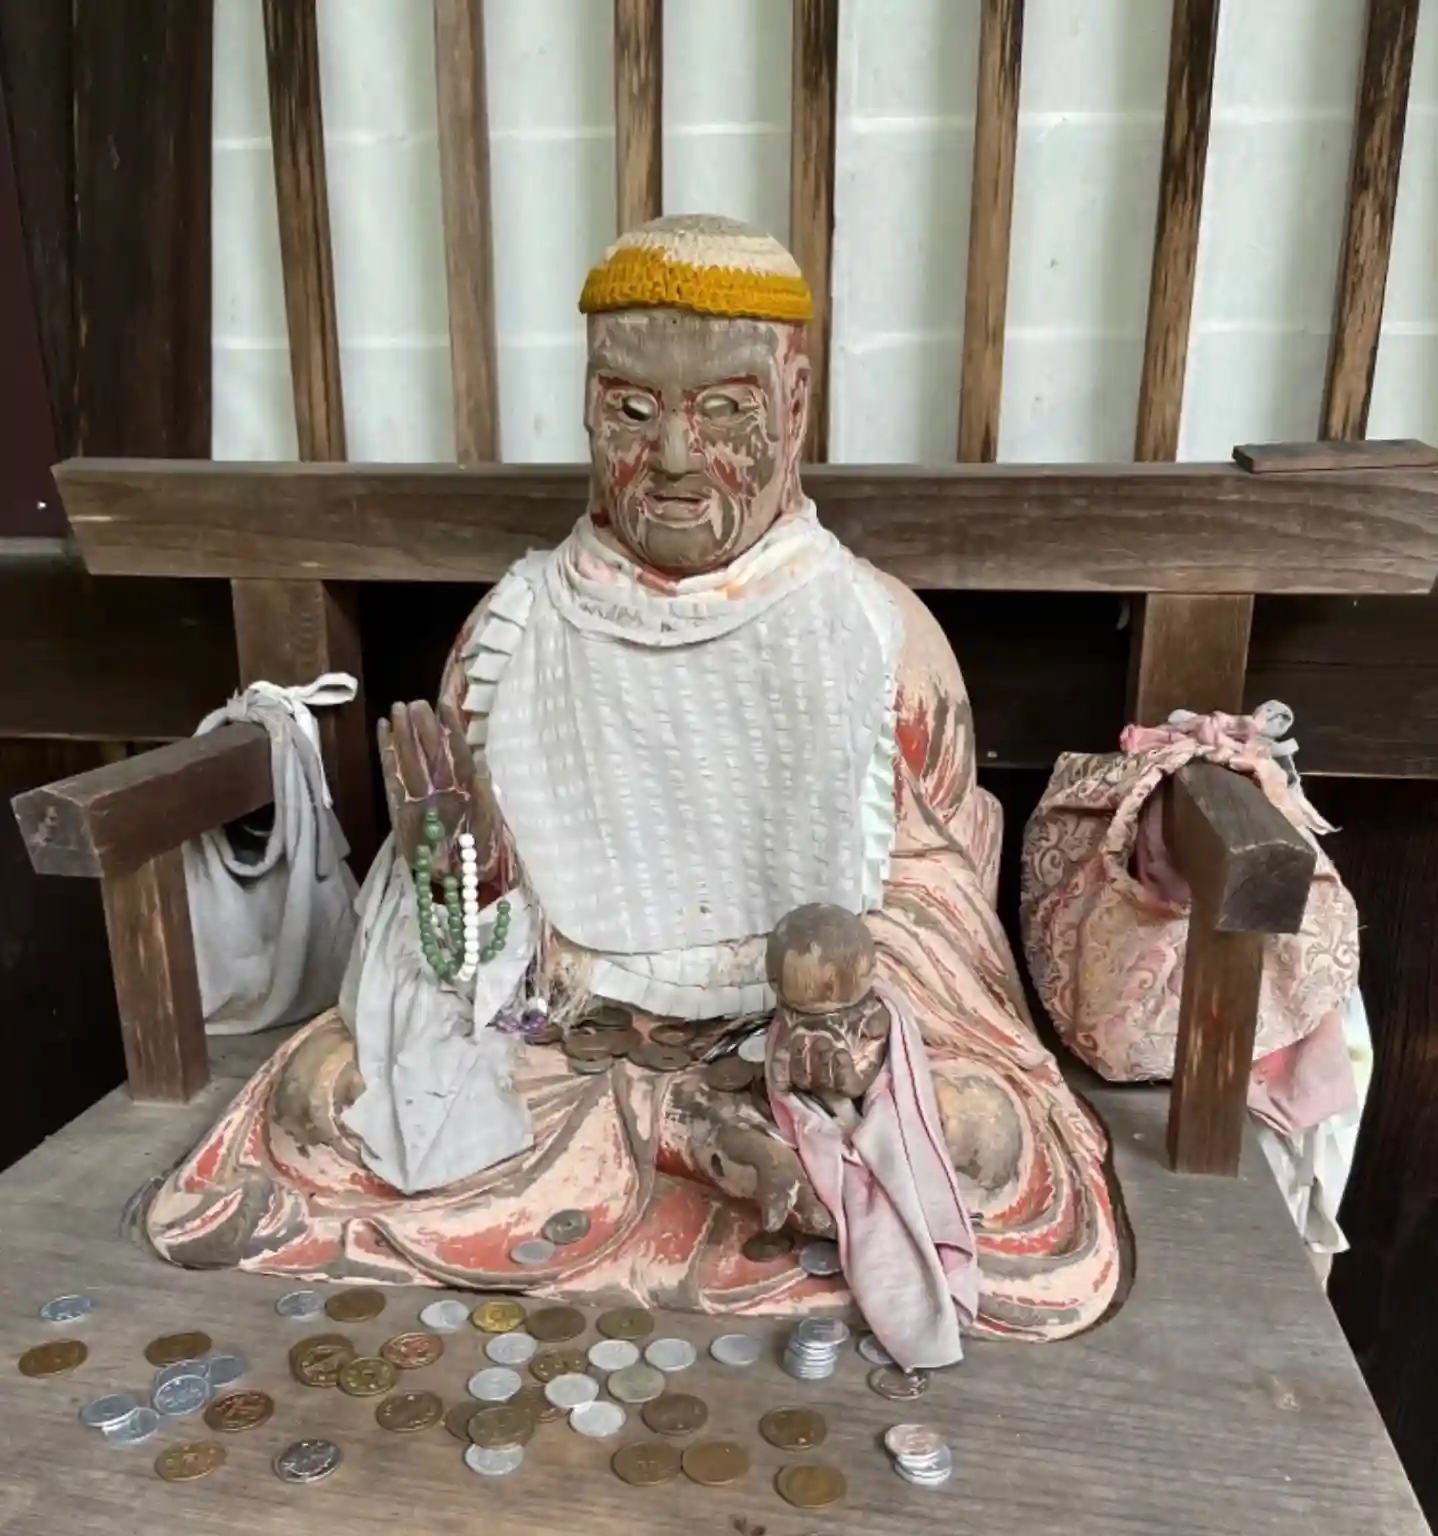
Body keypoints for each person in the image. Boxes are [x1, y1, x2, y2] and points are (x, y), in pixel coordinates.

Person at [147, 215, 1121, 1347]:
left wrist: (846, 1010)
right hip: (564, 1037)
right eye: (630, 409)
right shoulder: (513, 632)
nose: (671, 457)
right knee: (322, 1096)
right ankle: (696, 1146)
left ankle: (714, 1140)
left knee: (972, 1137)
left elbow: (938, 903)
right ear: (586, 407)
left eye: (723, 410)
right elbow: (459, 957)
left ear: (794, 403)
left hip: (784, 1046)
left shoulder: (876, 636)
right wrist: (467, 889)